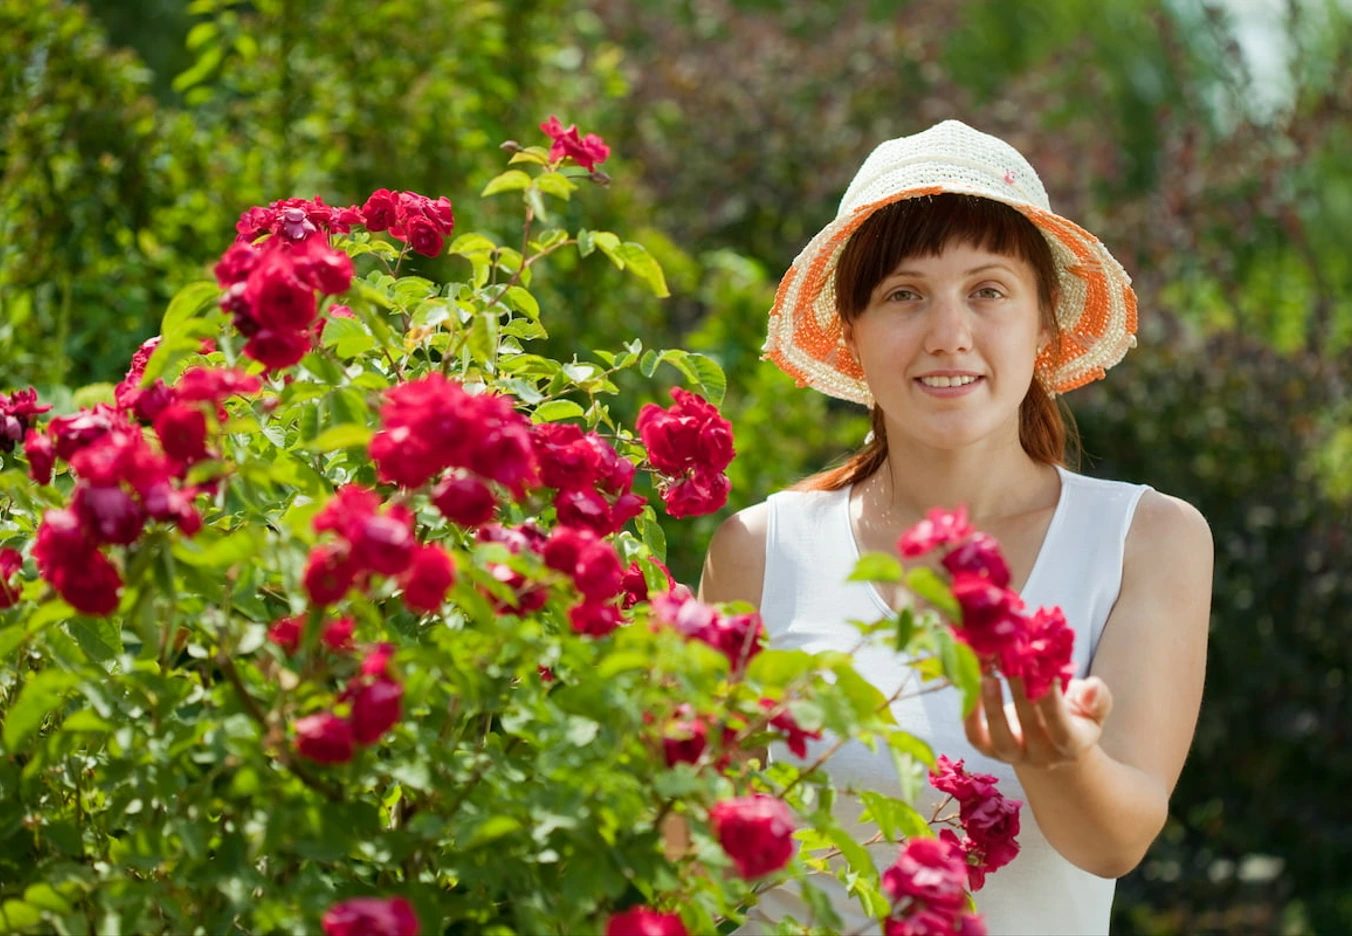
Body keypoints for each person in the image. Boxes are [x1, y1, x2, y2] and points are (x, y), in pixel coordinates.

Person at [699, 120, 1212, 935]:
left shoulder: (1146, 538)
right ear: (851, 332)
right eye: (904, 294)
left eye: (988, 290)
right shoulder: (760, 551)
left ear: (1043, 322)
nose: (948, 335)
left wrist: (1056, 751)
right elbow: (691, 860)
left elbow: (1114, 841)